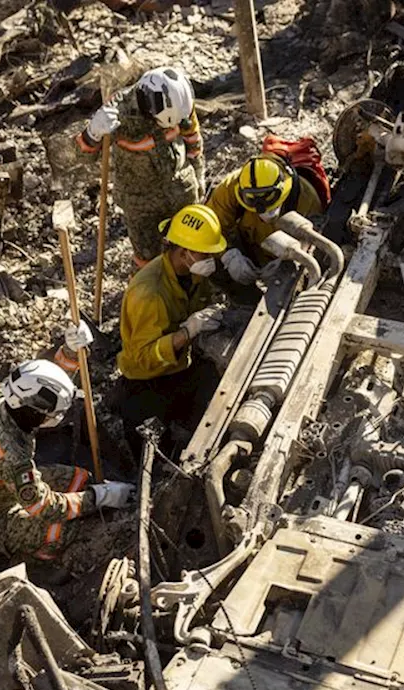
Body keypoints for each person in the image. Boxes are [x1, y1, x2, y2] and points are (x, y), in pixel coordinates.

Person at [0, 359, 134, 562]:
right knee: (64, 530)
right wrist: (100, 497)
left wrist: (69, 354)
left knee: (77, 478)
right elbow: (45, 507)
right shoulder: (11, 457)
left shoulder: (2, 394)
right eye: (51, 415)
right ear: (33, 412)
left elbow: (40, 380)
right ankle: (40, 557)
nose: (53, 420)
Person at [115, 203, 229, 450]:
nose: (211, 259)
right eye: (205, 254)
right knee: (154, 453)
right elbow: (143, 357)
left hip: (180, 367)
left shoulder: (191, 270)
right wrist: (188, 332)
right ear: (183, 251)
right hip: (146, 383)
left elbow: (207, 297)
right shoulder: (150, 293)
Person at [77, 67, 205, 270]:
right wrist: (93, 133)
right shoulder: (117, 112)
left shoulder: (179, 102)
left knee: (191, 244)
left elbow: (192, 138)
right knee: (148, 259)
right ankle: (150, 294)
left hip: (181, 186)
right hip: (140, 200)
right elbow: (82, 158)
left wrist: (198, 175)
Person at [205, 153, 325, 285]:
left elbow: (314, 242)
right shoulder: (229, 190)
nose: (263, 211)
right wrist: (227, 255)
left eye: (269, 204)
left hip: (287, 255)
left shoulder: (306, 198)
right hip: (246, 247)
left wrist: (289, 262)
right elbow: (210, 230)